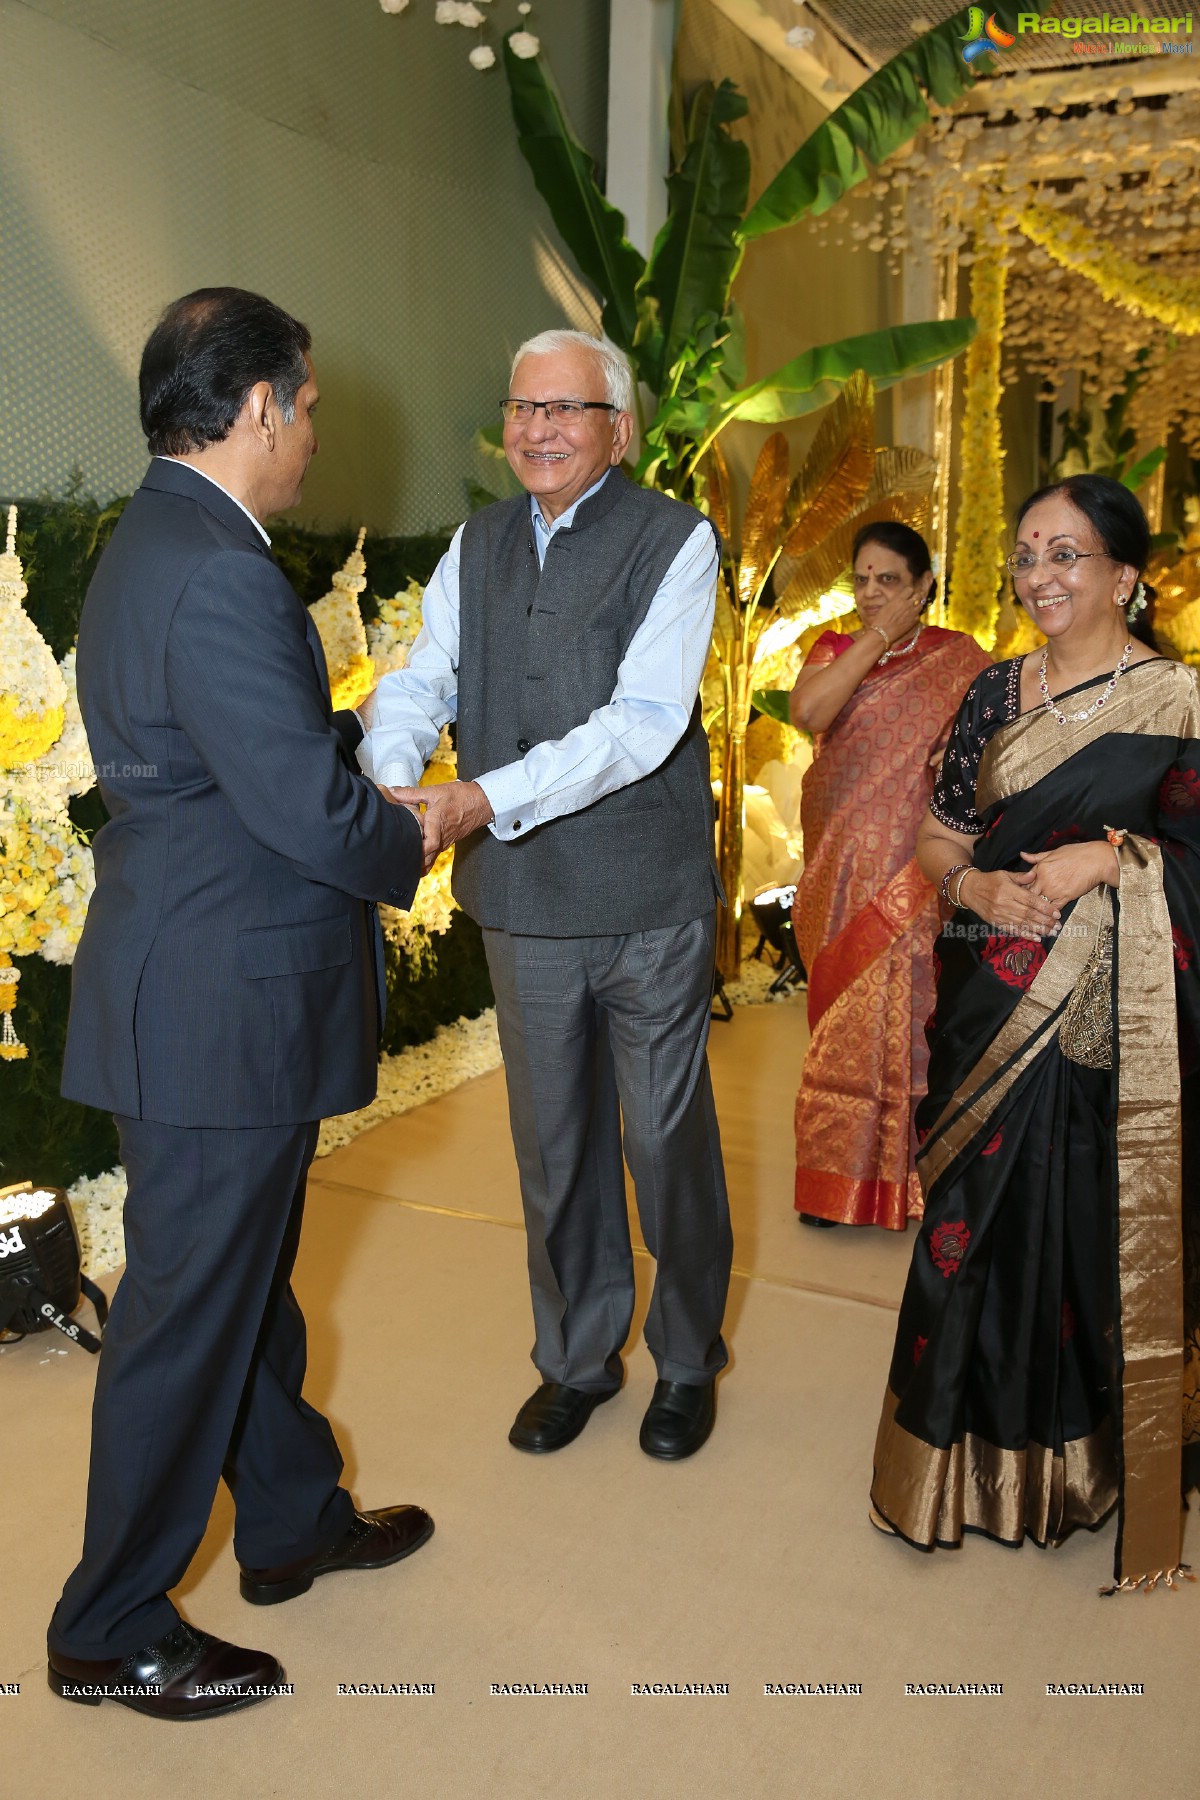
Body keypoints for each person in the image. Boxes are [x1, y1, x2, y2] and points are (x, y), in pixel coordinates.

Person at [49, 289, 432, 1720]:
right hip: (221, 1003)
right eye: (311, 404)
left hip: (199, 979)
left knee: (238, 1286)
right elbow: (312, 822)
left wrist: (330, 738)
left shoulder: (166, 540)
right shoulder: (218, 569)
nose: (315, 428)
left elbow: (224, 756)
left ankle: (286, 1520)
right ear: (260, 404)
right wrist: (420, 824)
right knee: (186, 1313)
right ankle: (108, 1624)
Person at [360, 328, 732, 1462]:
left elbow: (641, 725)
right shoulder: (476, 544)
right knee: (554, 1146)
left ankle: (683, 1359)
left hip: (647, 898)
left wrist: (473, 798)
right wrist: (393, 782)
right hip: (522, 904)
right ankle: (575, 1360)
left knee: (663, 1141)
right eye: (522, 409)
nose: (536, 430)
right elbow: (422, 674)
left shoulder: (676, 541)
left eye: (564, 411)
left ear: (616, 430)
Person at [869, 474, 1200, 1594]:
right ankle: (949, 1465)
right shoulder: (992, 694)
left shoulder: (1178, 701)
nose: (1041, 577)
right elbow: (934, 839)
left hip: (1118, 1024)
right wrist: (979, 893)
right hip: (989, 1001)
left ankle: (1083, 1466)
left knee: (1089, 1227)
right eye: (1025, 555)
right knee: (967, 1218)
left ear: (1124, 574)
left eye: (1067, 554)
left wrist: (1116, 860)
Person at [788, 523, 991, 1231]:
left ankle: (915, 1181)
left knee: (913, 1020)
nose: (872, 593)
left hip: (917, 868)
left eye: (890, 582)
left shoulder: (961, 660)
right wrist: (878, 636)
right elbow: (809, 711)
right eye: (862, 580)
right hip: (838, 871)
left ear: (924, 585)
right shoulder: (835, 650)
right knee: (842, 1020)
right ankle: (835, 1185)